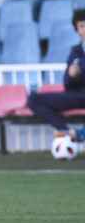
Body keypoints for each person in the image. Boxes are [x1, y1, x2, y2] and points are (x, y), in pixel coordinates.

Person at [28, 10, 85, 138]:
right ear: (77, 30)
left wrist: (80, 67)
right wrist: (72, 75)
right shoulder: (75, 51)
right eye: (81, 26)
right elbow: (67, 84)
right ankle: (66, 132)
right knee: (34, 99)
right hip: (77, 95)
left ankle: (80, 134)